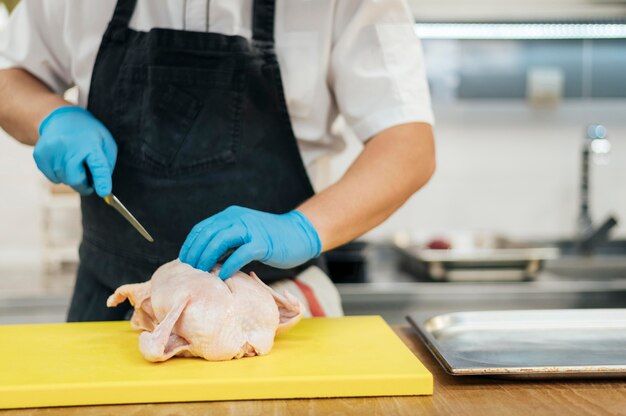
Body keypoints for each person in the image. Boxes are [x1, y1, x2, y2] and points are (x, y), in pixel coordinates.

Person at [0, 0, 435, 321]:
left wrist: (302, 229)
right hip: (113, 306)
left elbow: (408, 142)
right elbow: (10, 74)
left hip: (277, 311)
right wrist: (50, 117)